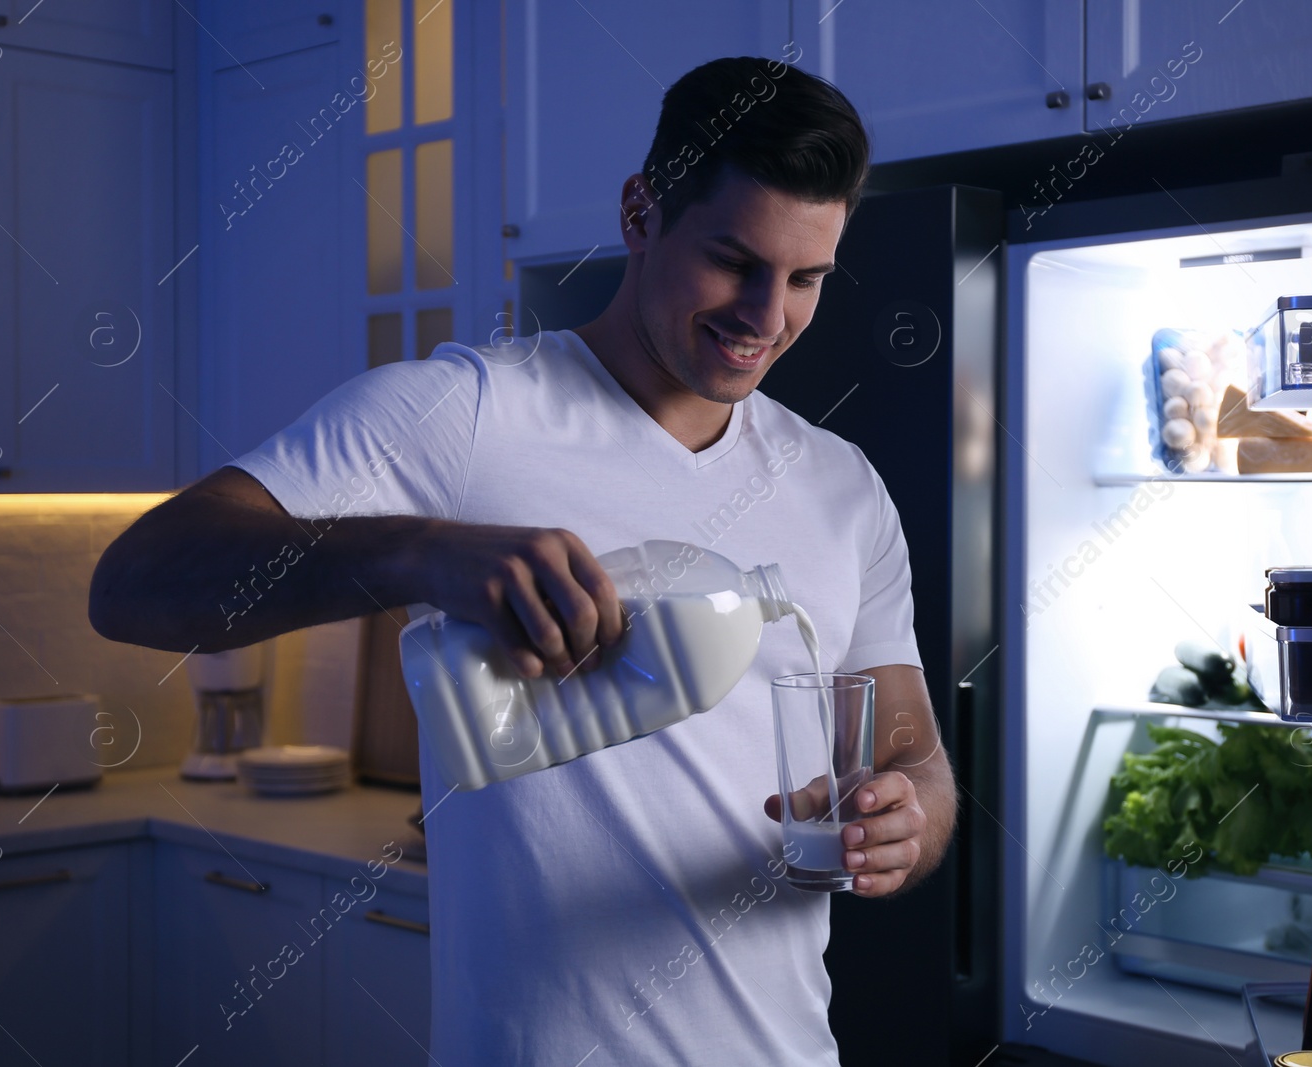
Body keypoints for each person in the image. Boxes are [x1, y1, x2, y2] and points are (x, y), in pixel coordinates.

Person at [91, 53, 955, 1066]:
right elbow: (137, 582)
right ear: (640, 212)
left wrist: (906, 818)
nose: (767, 317)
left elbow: (911, 757)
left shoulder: (839, 484)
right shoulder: (464, 416)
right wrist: (422, 553)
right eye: (734, 260)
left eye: (805, 277)